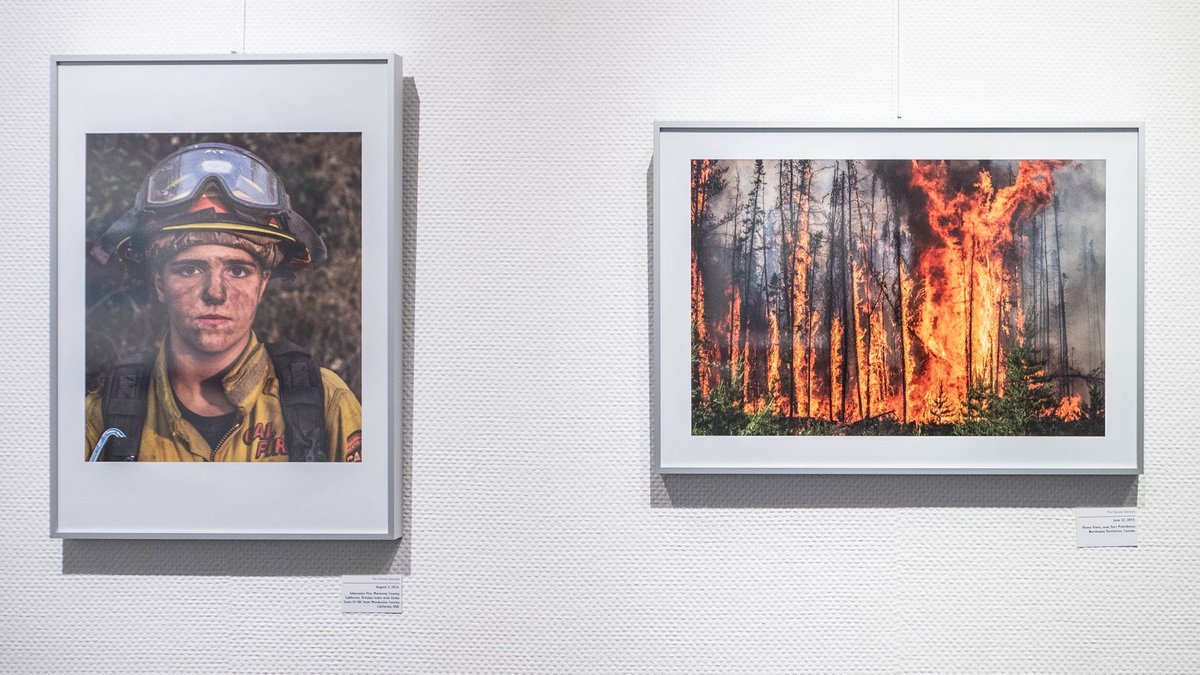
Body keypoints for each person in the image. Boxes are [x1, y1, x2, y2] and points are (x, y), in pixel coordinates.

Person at [84, 142, 362, 462]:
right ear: (160, 283)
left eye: (238, 270)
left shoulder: (326, 404)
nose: (215, 292)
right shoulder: (104, 416)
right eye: (189, 269)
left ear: (262, 284)